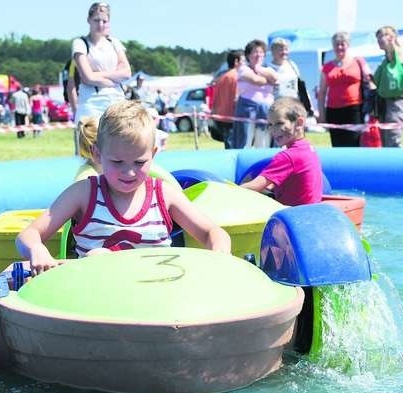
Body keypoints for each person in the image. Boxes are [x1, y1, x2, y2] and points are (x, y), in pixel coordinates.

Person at [15, 100, 231, 276]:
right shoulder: (84, 193)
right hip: (97, 299)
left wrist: (219, 254)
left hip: (158, 295)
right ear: (98, 155)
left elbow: (213, 232)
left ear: (153, 155)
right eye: (117, 163)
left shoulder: (164, 195)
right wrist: (37, 249)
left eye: (139, 163)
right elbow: (29, 234)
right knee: (98, 256)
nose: (129, 173)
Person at [240, 97, 323, 206]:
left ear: (299, 123)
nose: (273, 130)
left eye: (279, 123)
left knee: (246, 184)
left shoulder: (287, 156)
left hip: (291, 215)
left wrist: (229, 189)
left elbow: (254, 186)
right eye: (270, 124)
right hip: (309, 209)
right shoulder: (308, 148)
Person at [72, 2, 131, 125]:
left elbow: (126, 72)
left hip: (117, 101)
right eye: (96, 20)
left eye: (104, 21)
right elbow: (87, 77)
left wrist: (98, 74)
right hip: (91, 103)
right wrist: (114, 78)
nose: (100, 24)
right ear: (88, 20)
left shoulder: (114, 42)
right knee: (90, 143)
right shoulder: (80, 43)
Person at [317, 31, 373, 147]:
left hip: (354, 109)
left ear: (348, 45)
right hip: (333, 111)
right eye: (336, 44)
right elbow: (322, 93)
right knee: (337, 144)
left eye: (342, 44)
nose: (339, 47)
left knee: (354, 142)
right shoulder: (327, 67)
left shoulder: (359, 61)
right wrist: (322, 115)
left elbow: (371, 81)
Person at [232, 39, 277, 149]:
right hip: (246, 110)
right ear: (248, 55)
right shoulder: (243, 69)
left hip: (266, 111)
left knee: (263, 142)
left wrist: (259, 69)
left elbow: (275, 79)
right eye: (255, 52)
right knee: (245, 142)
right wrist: (268, 79)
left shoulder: (269, 68)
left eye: (261, 52)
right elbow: (255, 80)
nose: (258, 55)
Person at [374, 25, 403, 148]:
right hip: (385, 103)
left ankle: (399, 166)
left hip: (397, 103)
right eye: (377, 38)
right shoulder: (385, 60)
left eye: (382, 37)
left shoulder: (396, 55)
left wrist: (391, 43)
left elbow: (393, 52)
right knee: (385, 140)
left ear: (391, 38)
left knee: (393, 139)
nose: (379, 40)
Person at [211, 49, 244, 149]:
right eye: (244, 60)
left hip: (221, 118)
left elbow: (215, 100)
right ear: (236, 62)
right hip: (233, 118)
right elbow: (237, 99)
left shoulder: (221, 77)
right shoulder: (237, 77)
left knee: (228, 147)